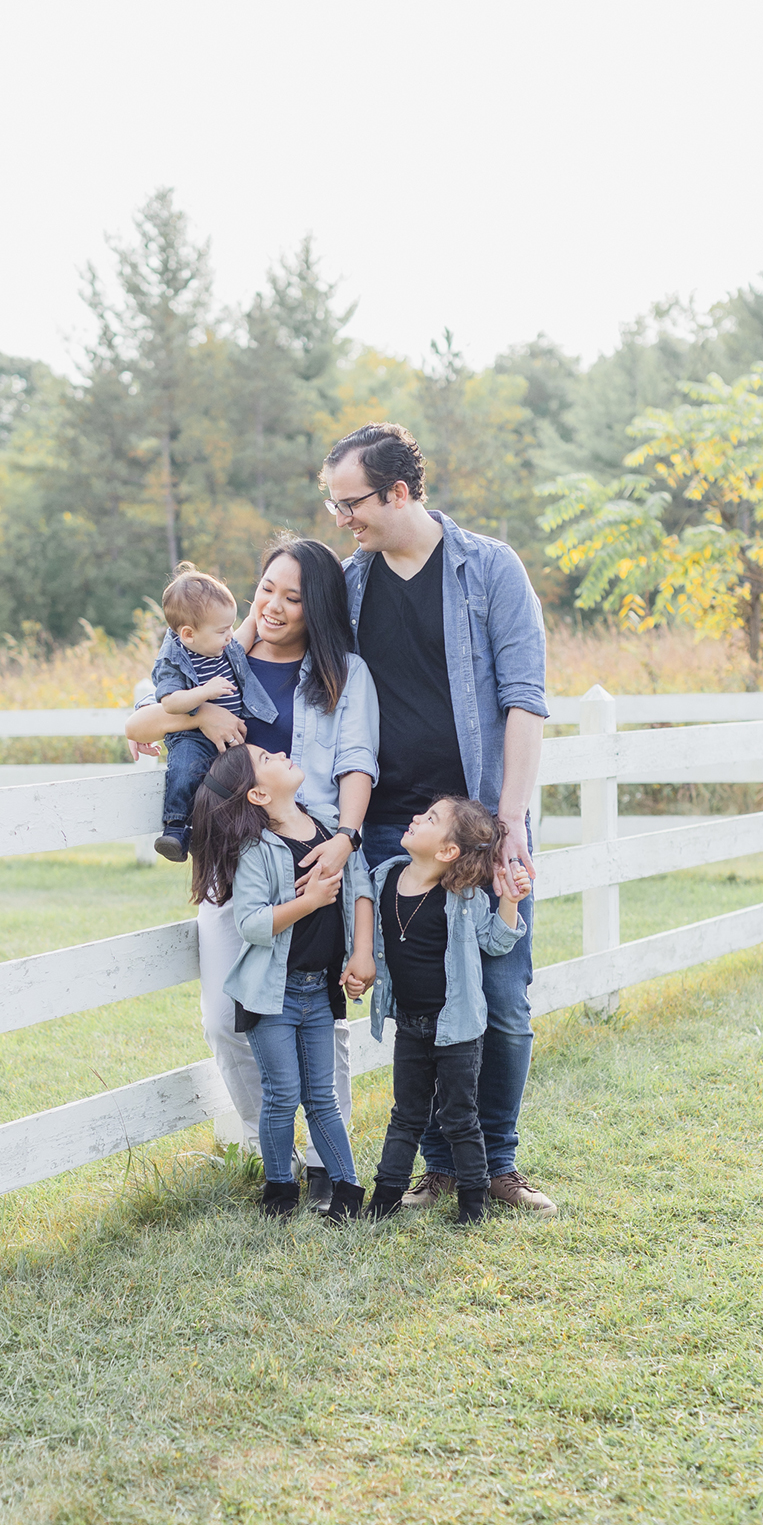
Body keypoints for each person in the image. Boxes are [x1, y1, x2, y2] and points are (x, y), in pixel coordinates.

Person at [322, 422, 557, 1215]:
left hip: (483, 825)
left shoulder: (488, 568)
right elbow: (274, 636)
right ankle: (444, 1166)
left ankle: (497, 1162)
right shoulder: (350, 586)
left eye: (349, 500)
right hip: (395, 828)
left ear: (398, 490)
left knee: (502, 993)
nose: (340, 516)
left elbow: (524, 697)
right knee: (422, 1002)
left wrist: (511, 819)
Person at [128, 537, 378, 1182]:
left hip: (311, 855)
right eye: (267, 587)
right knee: (224, 1018)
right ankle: (278, 1156)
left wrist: (344, 839)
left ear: (316, 607)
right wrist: (202, 717)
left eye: (293, 597)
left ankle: (329, 1161)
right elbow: (141, 724)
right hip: (230, 859)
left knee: (321, 1022)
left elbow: (357, 762)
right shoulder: (214, 657)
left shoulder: (343, 673)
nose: (273, 605)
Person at [187, 745, 364, 1221]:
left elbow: (359, 890)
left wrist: (359, 953)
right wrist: (310, 901)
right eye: (267, 757)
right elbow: (248, 923)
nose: (282, 752)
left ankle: (347, 1192)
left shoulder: (328, 830)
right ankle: (280, 1193)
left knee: (321, 1096)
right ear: (259, 793)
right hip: (272, 996)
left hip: (319, 991)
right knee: (282, 1095)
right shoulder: (256, 850)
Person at [342, 795, 529, 1224]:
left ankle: (472, 1206)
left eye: (430, 819)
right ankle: (383, 1202)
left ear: (447, 852)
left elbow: (496, 943)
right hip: (409, 1027)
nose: (416, 818)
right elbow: (364, 935)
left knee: (460, 1117)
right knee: (405, 1116)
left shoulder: (463, 899)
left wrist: (510, 900)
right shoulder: (384, 878)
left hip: (458, 1032)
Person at [146, 562, 266, 863]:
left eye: (231, 627)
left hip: (231, 736)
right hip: (192, 735)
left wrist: (261, 607)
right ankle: (176, 828)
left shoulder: (222, 646)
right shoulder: (174, 658)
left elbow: (248, 628)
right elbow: (170, 703)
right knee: (185, 770)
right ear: (188, 634)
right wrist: (205, 694)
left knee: (231, 787)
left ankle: (223, 835)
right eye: (223, 630)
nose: (230, 636)